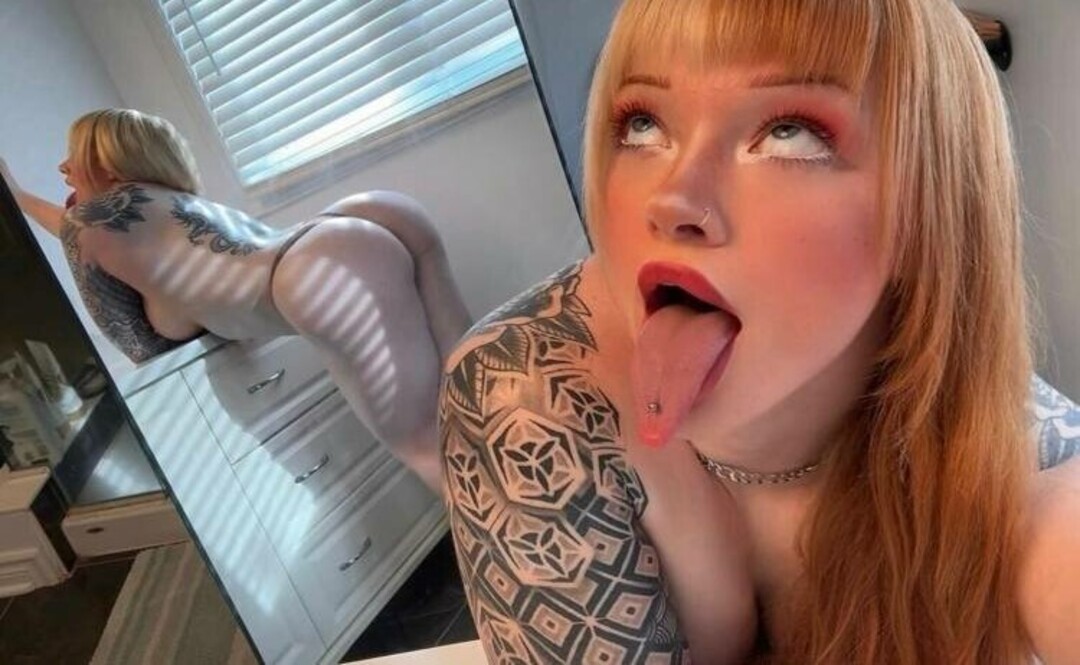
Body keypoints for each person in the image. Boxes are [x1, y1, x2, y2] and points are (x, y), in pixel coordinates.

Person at [438, 0, 1080, 663]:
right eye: (643, 124)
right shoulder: (523, 391)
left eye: (790, 134)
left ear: (930, 209)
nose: (673, 199)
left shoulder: (1031, 463)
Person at [1, 109, 471, 492]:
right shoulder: (180, 200)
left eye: (74, 155)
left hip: (311, 278)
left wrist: (165, 311)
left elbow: (137, 343)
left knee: (426, 447)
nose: (63, 168)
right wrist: (18, 197)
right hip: (358, 220)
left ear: (108, 165)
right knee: (468, 390)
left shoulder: (87, 225)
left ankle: (507, 564)